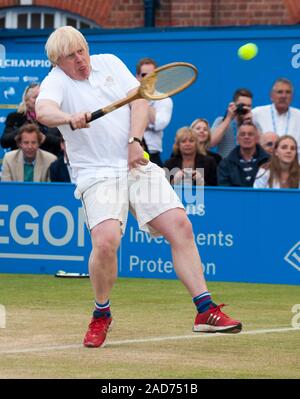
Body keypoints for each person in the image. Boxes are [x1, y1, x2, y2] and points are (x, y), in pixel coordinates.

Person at [35, 26, 242, 349]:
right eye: (71, 56)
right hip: (96, 173)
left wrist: (134, 141)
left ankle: (205, 311)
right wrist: (68, 116)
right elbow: (44, 111)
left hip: (135, 163)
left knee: (180, 226)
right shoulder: (55, 82)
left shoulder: (110, 63)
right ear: (57, 62)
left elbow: (141, 102)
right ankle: (101, 314)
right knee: (106, 242)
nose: (80, 59)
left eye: (82, 50)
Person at [0, 83, 61, 156]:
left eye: (42, 97)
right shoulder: (15, 117)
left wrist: (46, 138)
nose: (39, 100)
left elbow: (62, 144)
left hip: (48, 163)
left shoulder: (54, 118)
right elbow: (4, 142)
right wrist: (22, 132)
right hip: (20, 162)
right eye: (35, 97)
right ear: (26, 100)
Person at [136, 57, 173, 167]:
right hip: (129, 154)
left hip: (152, 156)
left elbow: (159, 123)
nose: (147, 78)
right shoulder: (128, 99)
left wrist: (144, 98)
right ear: (137, 77)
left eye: (151, 75)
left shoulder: (165, 100)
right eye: (144, 75)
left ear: (156, 78)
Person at [252, 78, 300, 157]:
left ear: (292, 97)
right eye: (280, 92)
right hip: (265, 164)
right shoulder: (257, 113)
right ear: (271, 96)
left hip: (295, 166)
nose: (283, 96)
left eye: (288, 92)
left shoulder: (299, 116)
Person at [218, 121, 270, 187]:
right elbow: (224, 191)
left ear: (257, 138)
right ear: (237, 139)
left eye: (250, 134)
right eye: (242, 134)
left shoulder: (269, 162)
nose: (246, 137)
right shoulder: (226, 164)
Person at [211, 88, 253, 157]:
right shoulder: (221, 121)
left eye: (249, 106)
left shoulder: (254, 123)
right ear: (234, 105)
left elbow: (261, 147)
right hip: (225, 165)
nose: (245, 108)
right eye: (242, 105)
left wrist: (249, 124)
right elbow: (211, 143)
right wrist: (228, 118)